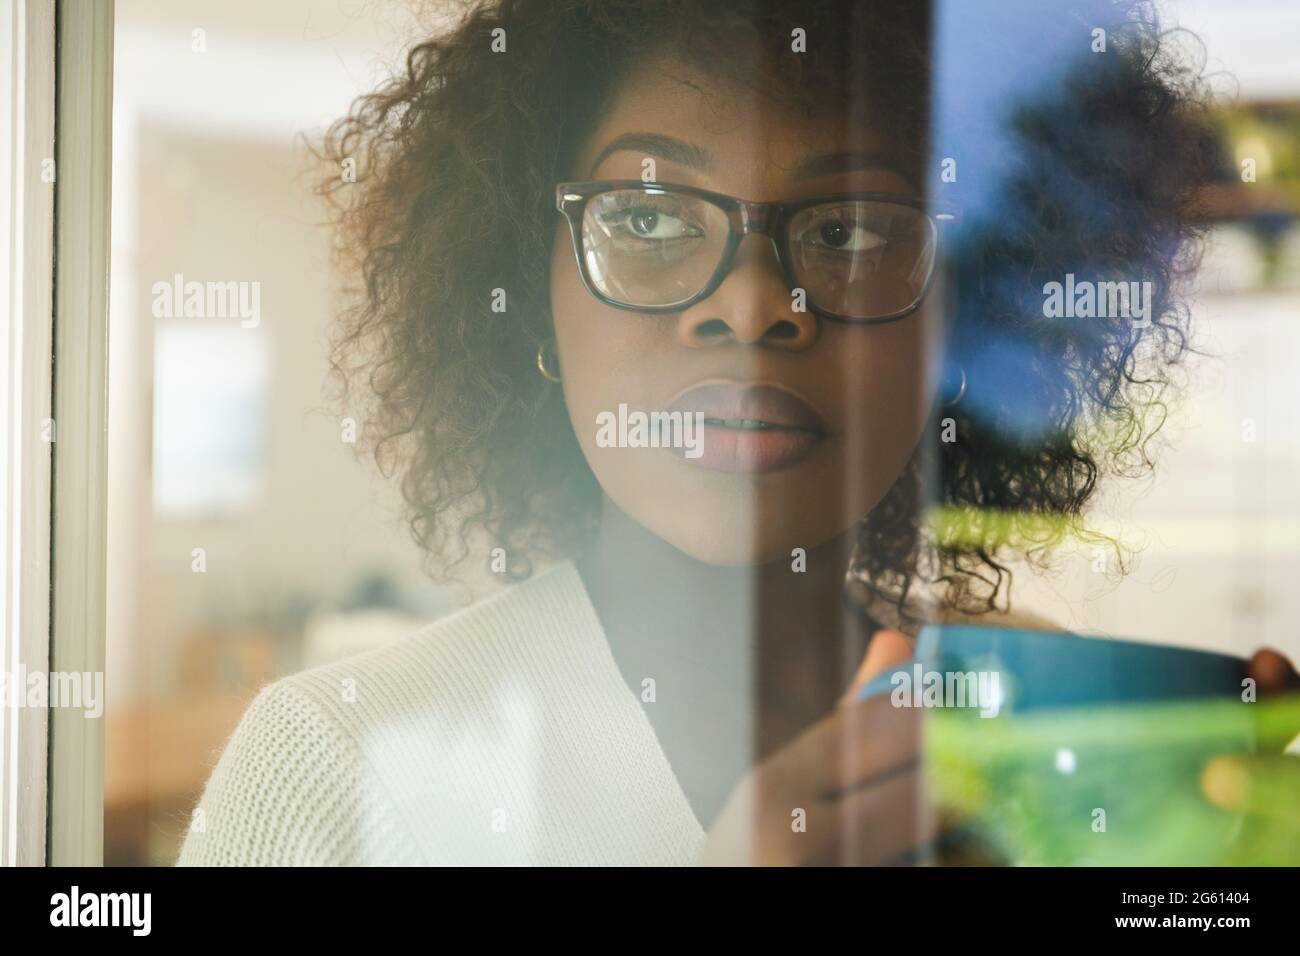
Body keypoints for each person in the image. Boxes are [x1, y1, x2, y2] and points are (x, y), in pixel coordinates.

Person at [178, 0, 1300, 866]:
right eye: (650, 216)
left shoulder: (1012, 695)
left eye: (852, 228)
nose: (754, 304)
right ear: (531, 301)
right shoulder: (331, 762)